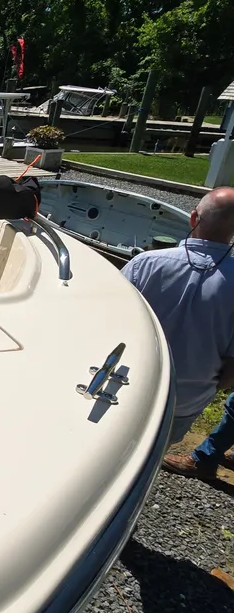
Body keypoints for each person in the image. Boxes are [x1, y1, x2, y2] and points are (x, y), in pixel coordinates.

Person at [121, 186, 234, 462]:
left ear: (194, 218)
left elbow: (108, 323)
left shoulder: (144, 264)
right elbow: (231, 372)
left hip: (127, 386)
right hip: (184, 401)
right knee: (147, 458)